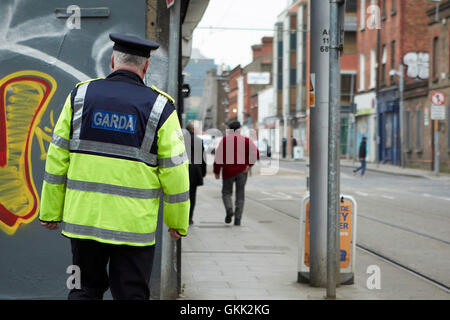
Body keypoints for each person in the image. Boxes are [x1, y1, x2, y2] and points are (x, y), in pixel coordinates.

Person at [39, 33, 190, 300]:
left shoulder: (80, 96)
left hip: (84, 221)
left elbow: (57, 156)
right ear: (146, 67)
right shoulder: (160, 107)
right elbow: (175, 169)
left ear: (112, 61)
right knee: (131, 294)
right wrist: (176, 221)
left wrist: (50, 211)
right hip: (133, 227)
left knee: (84, 290)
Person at [213, 121, 259, 226]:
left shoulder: (225, 141)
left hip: (228, 171)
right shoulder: (246, 140)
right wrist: (249, 164)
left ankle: (229, 209)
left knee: (226, 193)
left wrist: (217, 171)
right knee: (240, 196)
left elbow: (219, 156)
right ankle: (237, 220)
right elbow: (256, 153)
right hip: (242, 171)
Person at [184, 121, 206, 225]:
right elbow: (203, 158)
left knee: (183, 194)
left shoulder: (181, 140)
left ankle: (183, 216)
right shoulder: (199, 141)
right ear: (193, 130)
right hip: (195, 170)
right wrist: (203, 172)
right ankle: (190, 217)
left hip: (183, 169)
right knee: (192, 195)